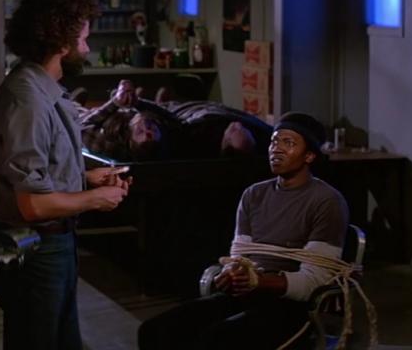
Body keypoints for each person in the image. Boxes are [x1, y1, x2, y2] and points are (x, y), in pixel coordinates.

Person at [0, 0, 132, 350]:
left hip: (56, 243)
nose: (87, 48)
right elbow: (32, 205)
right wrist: (96, 199)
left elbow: (38, 172)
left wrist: (85, 179)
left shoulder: (43, 88)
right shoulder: (28, 99)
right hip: (38, 249)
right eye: (83, 39)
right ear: (62, 44)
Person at [138, 112, 349, 349]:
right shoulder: (254, 194)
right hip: (248, 292)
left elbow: (315, 282)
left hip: (291, 305)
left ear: (309, 155)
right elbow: (238, 256)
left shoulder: (326, 201)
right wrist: (230, 274)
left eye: (288, 143)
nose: (276, 149)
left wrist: (259, 281)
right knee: (154, 331)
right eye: (274, 141)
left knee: (214, 340)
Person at [80, 80, 274, 161]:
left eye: (143, 130)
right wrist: (124, 102)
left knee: (79, 110)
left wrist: (119, 102)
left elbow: (80, 127)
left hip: (97, 115)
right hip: (190, 124)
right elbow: (174, 120)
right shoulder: (165, 135)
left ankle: (75, 103)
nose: (147, 130)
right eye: (151, 131)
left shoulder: (117, 136)